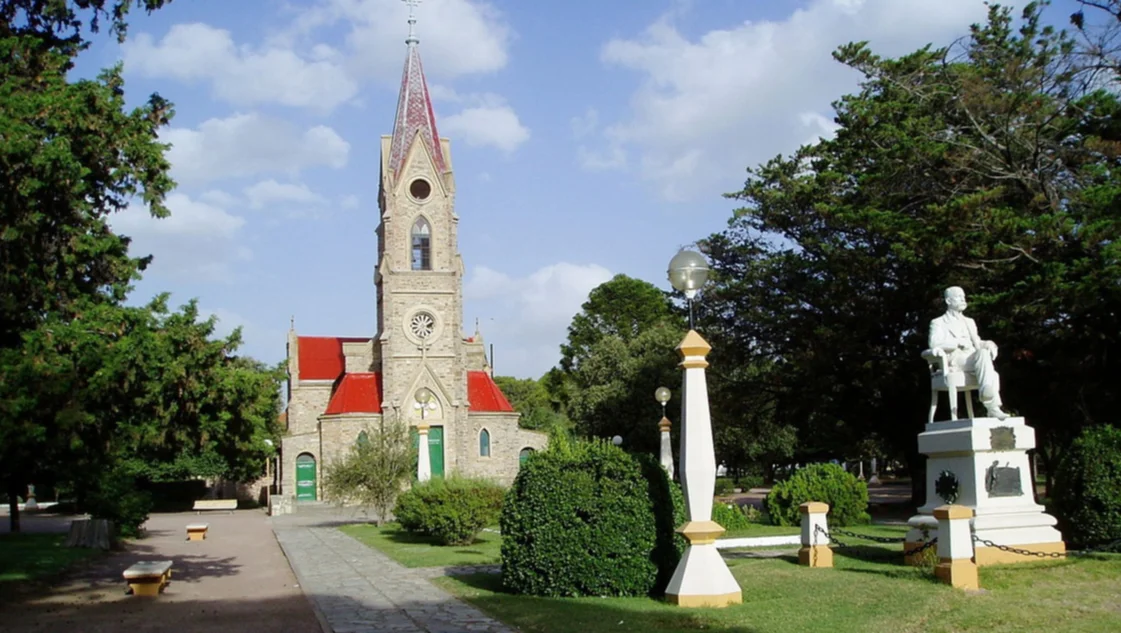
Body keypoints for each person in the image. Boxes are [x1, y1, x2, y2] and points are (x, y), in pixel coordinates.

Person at [928, 286, 1009, 420]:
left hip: (972, 358)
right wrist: (957, 343)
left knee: (985, 356)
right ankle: (991, 404)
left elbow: (977, 342)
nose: (963, 299)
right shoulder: (938, 322)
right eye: (959, 297)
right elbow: (934, 344)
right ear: (948, 301)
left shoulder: (969, 321)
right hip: (955, 359)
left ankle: (990, 402)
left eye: (964, 297)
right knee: (990, 371)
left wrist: (988, 343)